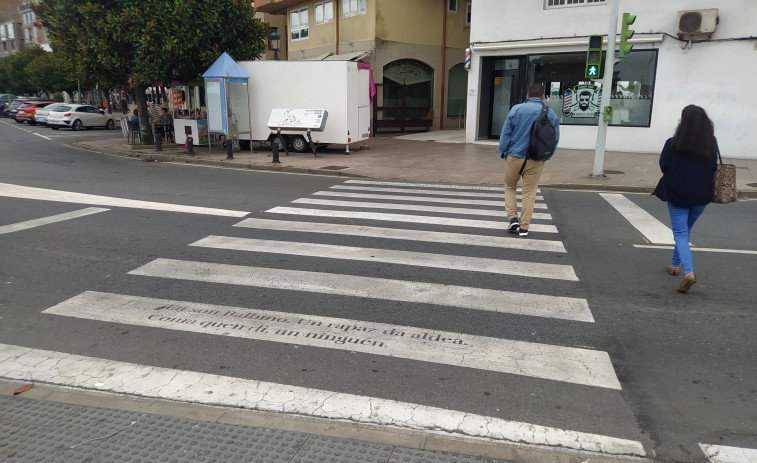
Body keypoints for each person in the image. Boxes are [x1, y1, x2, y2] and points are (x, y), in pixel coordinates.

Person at [652, 105, 718, 293]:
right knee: (685, 231)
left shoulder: (672, 143)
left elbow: (664, 166)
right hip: (701, 195)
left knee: (680, 233)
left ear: (683, 122)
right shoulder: (711, 143)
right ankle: (674, 265)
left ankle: (689, 273)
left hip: (678, 193)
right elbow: (713, 168)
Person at [496, 82, 560, 237]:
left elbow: (506, 134)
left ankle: (512, 219)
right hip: (536, 159)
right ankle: (524, 227)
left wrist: (502, 152)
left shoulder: (516, 109)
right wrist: (547, 157)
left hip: (514, 156)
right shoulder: (550, 114)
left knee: (510, 187)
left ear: (528, 95)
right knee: (529, 192)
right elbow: (555, 139)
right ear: (543, 96)